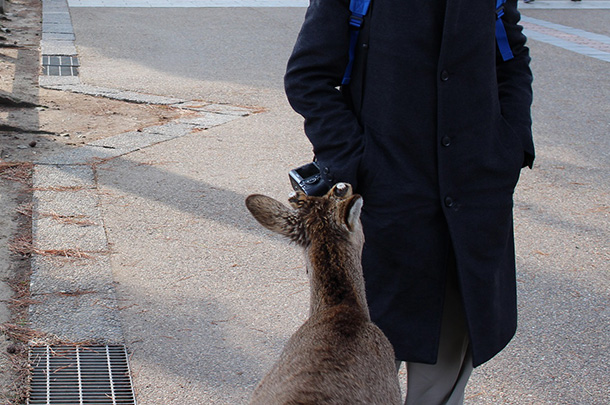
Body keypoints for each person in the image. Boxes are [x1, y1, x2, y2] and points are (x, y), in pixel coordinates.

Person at [284, 0, 535, 404]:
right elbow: (307, 78)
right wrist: (360, 163)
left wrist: (512, 142)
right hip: (389, 205)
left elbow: (510, 56)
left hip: (473, 202)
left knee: (445, 370)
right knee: (366, 357)